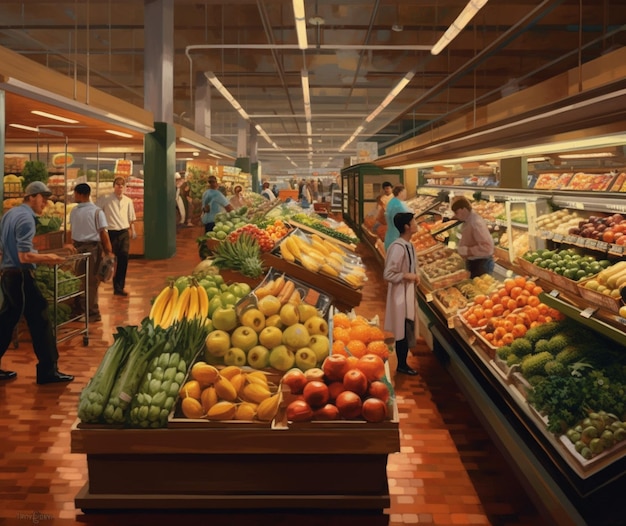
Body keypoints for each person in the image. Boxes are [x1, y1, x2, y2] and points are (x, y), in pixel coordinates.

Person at [0, 181, 74, 384]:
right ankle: (48, 371)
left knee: (7, 322)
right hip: (22, 277)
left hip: (8, 275)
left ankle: (48, 370)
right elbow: (25, 257)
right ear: (31, 197)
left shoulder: (9, 215)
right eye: (43, 198)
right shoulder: (26, 219)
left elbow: (3, 248)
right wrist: (51, 258)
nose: (46, 203)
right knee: (40, 320)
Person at [70, 183, 114, 322]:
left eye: (75, 193)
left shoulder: (96, 212)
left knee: (90, 281)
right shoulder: (78, 211)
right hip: (80, 248)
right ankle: (80, 310)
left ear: (81, 194)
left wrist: (108, 252)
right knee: (80, 280)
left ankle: (93, 313)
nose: (73, 196)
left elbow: (103, 234)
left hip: (92, 249)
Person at [384, 212, 420, 376]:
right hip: (400, 295)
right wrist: (407, 276)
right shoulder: (398, 248)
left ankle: (403, 363)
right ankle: (401, 364)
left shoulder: (409, 245)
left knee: (406, 328)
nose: (416, 224)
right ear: (407, 226)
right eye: (414, 222)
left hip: (408, 294)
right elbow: (388, 274)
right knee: (402, 331)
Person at [98, 176, 136, 296]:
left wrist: (133, 230)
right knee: (109, 260)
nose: (120, 187)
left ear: (125, 187)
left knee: (124, 259)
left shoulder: (128, 201)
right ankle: (101, 281)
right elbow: (97, 212)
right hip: (111, 232)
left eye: (122, 185)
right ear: (114, 186)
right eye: (117, 184)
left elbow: (131, 218)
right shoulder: (106, 199)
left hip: (124, 232)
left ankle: (119, 287)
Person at [451, 196, 495, 278]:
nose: (456, 216)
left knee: (480, 287)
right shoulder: (468, 219)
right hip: (474, 262)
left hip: (481, 264)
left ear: (463, 209)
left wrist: (467, 250)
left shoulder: (476, 223)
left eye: (456, 212)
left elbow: (487, 247)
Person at [384, 185, 411, 250]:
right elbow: (404, 220)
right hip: (396, 237)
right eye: (405, 192)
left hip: (391, 235)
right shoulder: (398, 205)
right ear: (400, 193)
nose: (406, 195)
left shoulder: (393, 202)